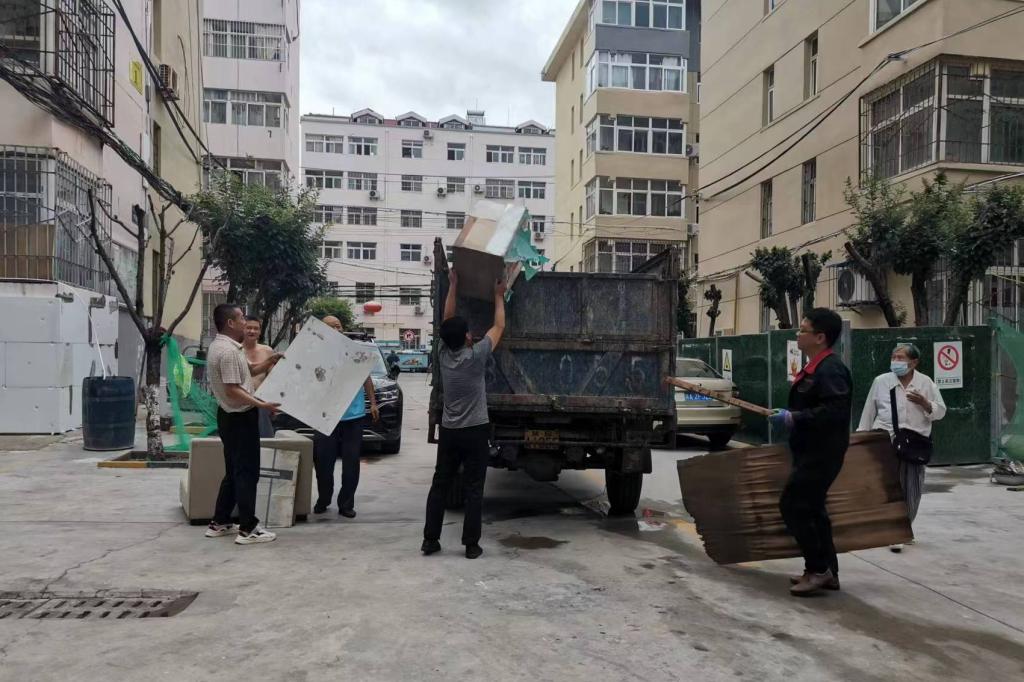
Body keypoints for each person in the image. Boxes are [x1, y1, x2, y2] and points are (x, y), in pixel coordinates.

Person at [422, 268, 506, 559]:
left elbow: (447, 322)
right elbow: (498, 327)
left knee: (440, 485)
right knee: (474, 488)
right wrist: (498, 296)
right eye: (469, 332)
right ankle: (471, 545)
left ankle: (430, 540)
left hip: (450, 432)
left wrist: (453, 285)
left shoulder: (444, 354)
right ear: (468, 338)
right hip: (475, 431)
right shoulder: (476, 356)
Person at [768, 308, 852, 596]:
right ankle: (828, 572)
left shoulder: (831, 369)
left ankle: (818, 569)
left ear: (820, 337)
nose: (798, 334)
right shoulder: (816, 367)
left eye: (803, 330)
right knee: (814, 509)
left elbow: (835, 411)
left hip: (822, 452)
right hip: (809, 449)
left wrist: (795, 418)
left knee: (793, 506)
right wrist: (792, 416)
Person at [206, 303, 283, 545]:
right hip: (239, 417)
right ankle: (248, 528)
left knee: (233, 471)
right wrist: (262, 405)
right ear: (230, 323)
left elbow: (250, 371)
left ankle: (220, 521)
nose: (245, 322)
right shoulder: (228, 352)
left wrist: (270, 361)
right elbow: (233, 390)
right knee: (247, 473)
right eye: (241, 318)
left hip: (229, 416)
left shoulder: (226, 346)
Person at [857, 343, 946, 553]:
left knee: (912, 487)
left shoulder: (926, 383)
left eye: (900, 358)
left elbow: (941, 412)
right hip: (885, 439)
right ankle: (894, 531)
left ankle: (904, 527)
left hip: (914, 442)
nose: (895, 361)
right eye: (893, 357)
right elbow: (869, 410)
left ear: (914, 362)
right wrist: (862, 436)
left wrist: (925, 403)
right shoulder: (881, 381)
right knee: (888, 487)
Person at [312, 315, 380, 517]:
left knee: (351, 463)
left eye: (338, 326)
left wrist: (373, 402)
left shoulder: (354, 350)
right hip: (325, 416)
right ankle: (324, 499)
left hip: (353, 416)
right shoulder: (314, 352)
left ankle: (346, 503)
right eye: (331, 327)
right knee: (323, 462)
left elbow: (366, 377)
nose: (336, 329)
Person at [243, 316, 276, 438]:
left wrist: (272, 401)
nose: (252, 331)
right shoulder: (236, 350)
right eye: (249, 328)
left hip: (262, 402)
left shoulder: (267, 351)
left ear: (260, 331)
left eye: (256, 328)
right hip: (241, 401)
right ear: (243, 329)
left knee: (265, 439)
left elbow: (273, 379)